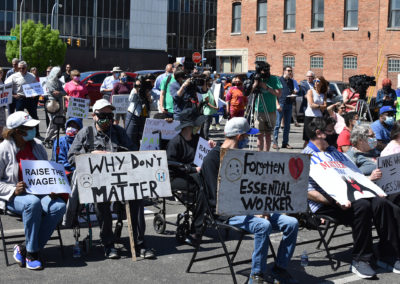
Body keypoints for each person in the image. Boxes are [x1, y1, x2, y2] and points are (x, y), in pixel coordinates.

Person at [193, 117, 298, 284]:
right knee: (263, 226)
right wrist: (252, 211)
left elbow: (254, 187)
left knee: (291, 223)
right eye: (248, 135)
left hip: (249, 207)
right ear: (240, 136)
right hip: (225, 211)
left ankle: (280, 267)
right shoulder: (213, 159)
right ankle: (256, 275)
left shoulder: (244, 156)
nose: (250, 139)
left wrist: (263, 205)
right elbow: (218, 198)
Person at [303, 117, 400, 279]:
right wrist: (334, 201)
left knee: (381, 203)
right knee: (363, 206)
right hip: (327, 203)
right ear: (318, 133)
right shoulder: (306, 156)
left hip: (351, 194)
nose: (334, 134)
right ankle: (361, 259)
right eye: (330, 131)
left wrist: (372, 188)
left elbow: (354, 175)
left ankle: (388, 253)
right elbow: (307, 191)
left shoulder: (334, 152)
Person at [68, 99, 155, 259]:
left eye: (110, 115)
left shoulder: (119, 132)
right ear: (94, 115)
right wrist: (90, 155)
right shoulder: (85, 133)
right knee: (101, 201)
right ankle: (108, 244)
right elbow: (71, 158)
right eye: (102, 115)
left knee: (137, 199)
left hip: (121, 180)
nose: (107, 119)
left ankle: (139, 243)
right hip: (98, 182)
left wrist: (117, 155)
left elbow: (133, 152)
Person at [0, 112, 66, 270]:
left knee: (59, 206)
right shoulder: (3, 149)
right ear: (17, 131)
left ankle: (23, 248)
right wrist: (13, 189)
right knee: (33, 203)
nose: (33, 130)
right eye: (28, 127)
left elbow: (46, 170)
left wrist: (53, 186)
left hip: (38, 192)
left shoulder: (37, 145)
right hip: (14, 197)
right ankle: (32, 254)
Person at [5, 61, 41, 139]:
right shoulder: (14, 76)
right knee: (19, 117)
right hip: (20, 99)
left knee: (34, 116)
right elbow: (6, 86)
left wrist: (35, 93)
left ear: (26, 68)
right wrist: (13, 95)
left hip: (29, 99)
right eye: (19, 68)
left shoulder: (31, 76)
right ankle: (17, 134)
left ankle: (37, 133)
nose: (21, 69)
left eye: (23, 68)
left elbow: (36, 87)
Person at [252, 62, 282, 151]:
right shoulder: (256, 78)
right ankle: (259, 154)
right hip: (259, 111)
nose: (264, 73)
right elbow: (248, 93)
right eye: (262, 71)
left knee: (268, 135)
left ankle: (267, 154)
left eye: (266, 70)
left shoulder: (274, 79)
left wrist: (266, 87)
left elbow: (279, 94)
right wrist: (256, 83)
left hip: (271, 111)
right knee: (259, 136)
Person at [125, 77, 152, 150]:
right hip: (133, 114)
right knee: (130, 136)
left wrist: (149, 96)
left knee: (142, 137)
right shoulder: (135, 89)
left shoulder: (149, 90)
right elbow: (131, 99)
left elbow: (153, 104)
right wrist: (136, 89)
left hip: (144, 115)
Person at [43, 67, 67, 149]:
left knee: (58, 121)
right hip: (52, 104)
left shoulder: (59, 82)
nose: (60, 73)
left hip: (59, 103)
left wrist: (60, 92)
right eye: (59, 72)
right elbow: (54, 93)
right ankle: (47, 139)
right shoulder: (49, 81)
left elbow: (64, 92)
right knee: (53, 122)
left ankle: (53, 139)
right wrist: (60, 92)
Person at [273, 66, 295, 149]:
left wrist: (293, 95)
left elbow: (291, 91)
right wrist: (277, 104)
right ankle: (275, 142)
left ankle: (285, 143)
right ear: (284, 71)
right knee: (277, 124)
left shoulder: (291, 81)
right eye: (288, 70)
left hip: (289, 104)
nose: (290, 72)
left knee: (287, 125)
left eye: (291, 71)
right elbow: (275, 93)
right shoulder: (279, 80)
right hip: (281, 104)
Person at [303, 76, 328, 147]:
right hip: (310, 116)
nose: (316, 83)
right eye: (315, 81)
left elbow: (325, 106)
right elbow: (311, 105)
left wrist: (318, 106)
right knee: (308, 139)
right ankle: (305, 154)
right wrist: (320, 106)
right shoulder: (310, 91)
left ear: (322, 83)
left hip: (319, 117)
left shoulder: (323, 94)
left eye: (318, 81)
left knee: (317, 137)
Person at [0, 67, 5, 137]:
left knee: (2, 123)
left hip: (2, 106)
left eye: (1, 72)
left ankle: (1, 137)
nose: (0, 74)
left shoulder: (3, 82)